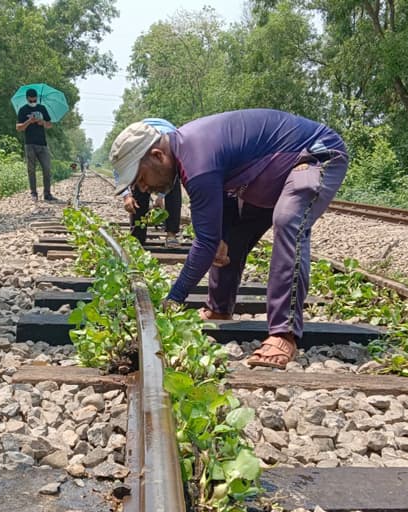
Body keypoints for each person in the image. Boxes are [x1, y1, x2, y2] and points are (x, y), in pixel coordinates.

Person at [109, 109, 349, 369]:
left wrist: (173, 300)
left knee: (288, 220)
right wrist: (220, 235)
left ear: (158, 156)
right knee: (230, 236)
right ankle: (220, 308)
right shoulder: (188, 154)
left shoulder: (196, 160)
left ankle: (283, 333)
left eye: (141, 178)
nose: (142, 188)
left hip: (314, 153)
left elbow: (204, 244)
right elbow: (216, 223)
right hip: (268, 174)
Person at [116, 118, 183, 248]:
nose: (144, 185)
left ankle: (171, 234)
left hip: (165, 141)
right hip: (144, 136)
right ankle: (137, 237)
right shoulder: (125, 152)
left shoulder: (171, 145)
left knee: (173, 186)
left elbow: (171, 173)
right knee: (139, 187)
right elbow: (120, 175)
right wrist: (126, 196)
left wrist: (161, 196)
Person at [16, 88, 57, 201]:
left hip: (42, 143)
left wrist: (42, 122)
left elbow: (50, 124)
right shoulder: (23, 110)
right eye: (31, 101)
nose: (33, 102)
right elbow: (18, 128)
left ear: (37, 99)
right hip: (30, 143)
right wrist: (29, 122)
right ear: (27, 99)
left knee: (47, 168)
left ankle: (47, 193)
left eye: (35, 100)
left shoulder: (42, 108)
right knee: (31, 169)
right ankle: (33, 193)